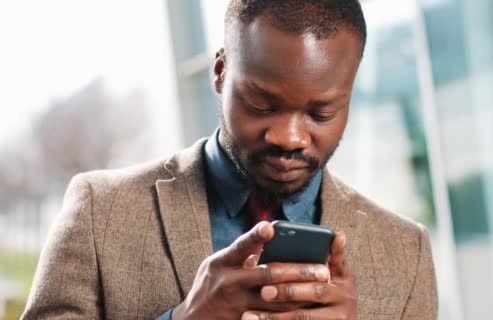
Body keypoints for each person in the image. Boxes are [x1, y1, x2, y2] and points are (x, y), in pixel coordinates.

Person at [22, 1, 437, 319]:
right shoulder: (100, 210)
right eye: (261, 103)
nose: (288, 137)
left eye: (320, 113)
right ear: (220, 71)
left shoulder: (406, 252)